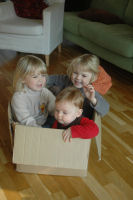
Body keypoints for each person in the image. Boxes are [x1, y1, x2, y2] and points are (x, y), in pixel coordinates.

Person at [47, 54, 109, 119]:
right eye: (75, 73)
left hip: (78, 121)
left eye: (84, 76)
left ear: (92, 77)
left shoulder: (90, 92)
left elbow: (105, 109)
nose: (78, 78)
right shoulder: (67, 80)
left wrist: (93, 100)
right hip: (60, 115)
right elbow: (54, 78)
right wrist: (42, 79)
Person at [11, 55, 55, 127]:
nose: (41, 80)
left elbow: (53, 105)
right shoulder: (18, 97)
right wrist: (39, 130)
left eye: (43, 75)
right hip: (29, 126)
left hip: (45, 120)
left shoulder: (44, 91)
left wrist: (61, 114)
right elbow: (25, 119)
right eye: (35, 76)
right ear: (23, 79)